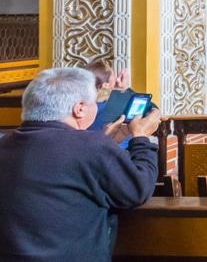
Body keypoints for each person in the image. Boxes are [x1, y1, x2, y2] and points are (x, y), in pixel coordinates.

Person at [0, 67, 161, 260]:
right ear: (80, 108)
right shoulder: (92, 147)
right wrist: (141, 138)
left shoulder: (4, 144)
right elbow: (137, 189)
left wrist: (105, 143)